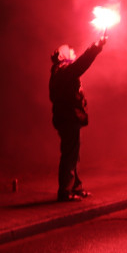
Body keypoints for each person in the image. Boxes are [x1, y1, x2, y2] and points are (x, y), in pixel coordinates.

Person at [49, 36, 106, 202]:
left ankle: (75, 187)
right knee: (70, 154)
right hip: (68, 118)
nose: (73, 50)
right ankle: (65, 191)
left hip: (68, 117)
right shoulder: (63, 71)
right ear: (61, 56)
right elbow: (82, 64)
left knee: (74, 154)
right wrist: (96, 47)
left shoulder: (62, 71)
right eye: (69, 49)